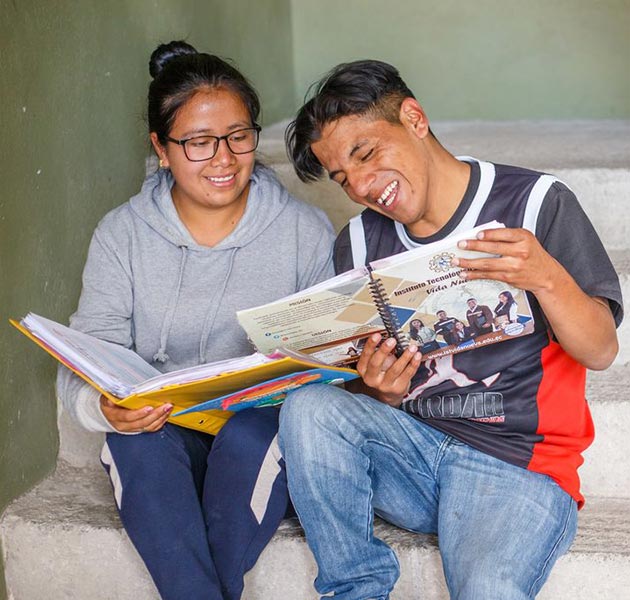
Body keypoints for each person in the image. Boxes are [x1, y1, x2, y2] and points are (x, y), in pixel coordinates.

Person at [278, 59, 623, 599]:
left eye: (366, 154)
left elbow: (601, 350)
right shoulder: (360, 242)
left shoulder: (535, 203)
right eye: (343, 178)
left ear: (414, 118)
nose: (363, 186)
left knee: (488, 589)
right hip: (413, 458)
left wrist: (547, 278)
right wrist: (376, 388)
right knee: (307, 408)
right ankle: (356, 589)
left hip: (517, 467)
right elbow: (352, 389)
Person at [56, 41, 335, 600]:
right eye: (199, 143)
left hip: (258, 430)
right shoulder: (122, 235)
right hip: (168, 428)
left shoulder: (304, 231)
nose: (225, 159)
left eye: (238, 137)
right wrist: (104, 406)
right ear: (161, 149)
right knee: (136, 442)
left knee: (260, 433)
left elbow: (328, 354)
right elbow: (86, 356)